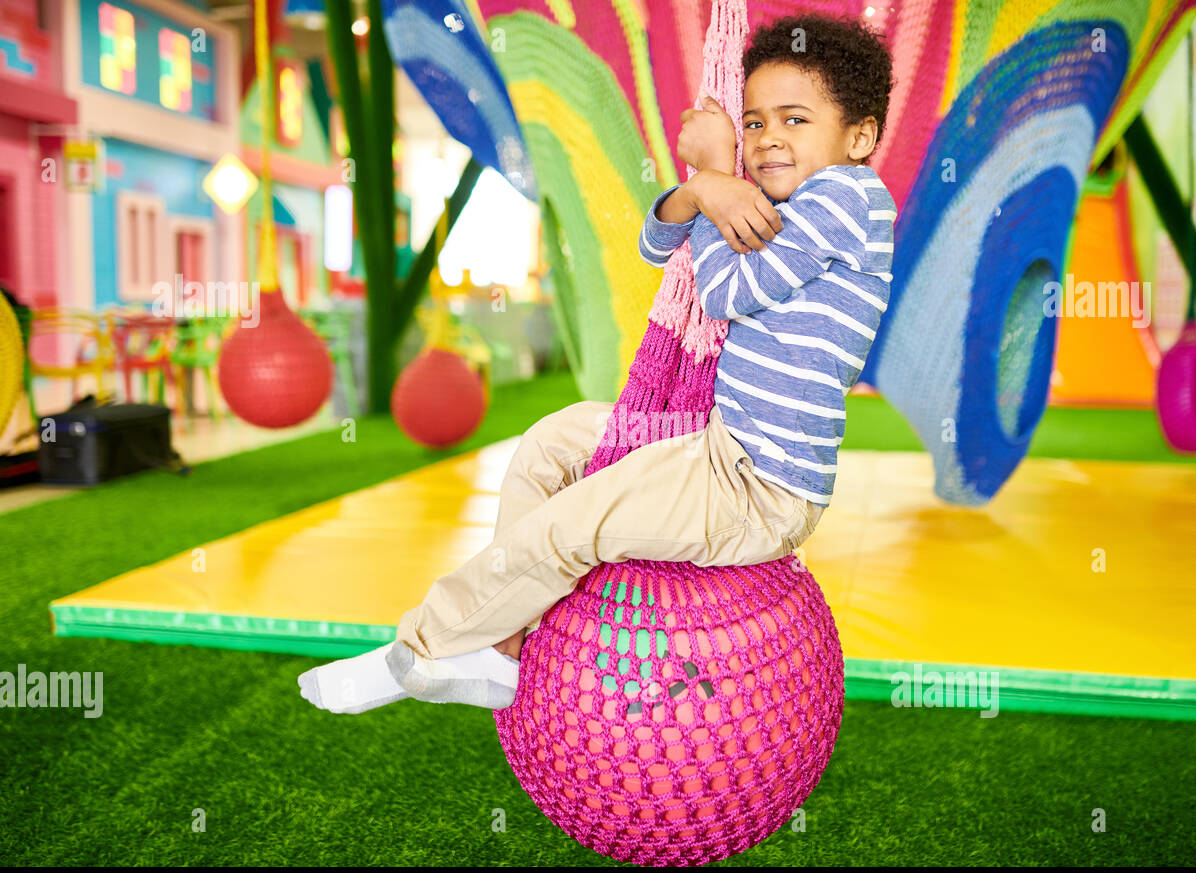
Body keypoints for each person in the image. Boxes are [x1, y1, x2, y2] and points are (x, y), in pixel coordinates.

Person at [298, 13, 896, 715]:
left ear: (859, 136)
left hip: (757, 489)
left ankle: (419, 650)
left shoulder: (850, 198)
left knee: (569, 524)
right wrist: (704, 191)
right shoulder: (777, 200)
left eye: (796, 120)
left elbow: (730, 291)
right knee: (551, 443)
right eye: (757, 123)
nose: (768, 141)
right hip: (715, 447)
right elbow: (657, 241)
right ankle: (501, 649)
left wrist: (711, 175)